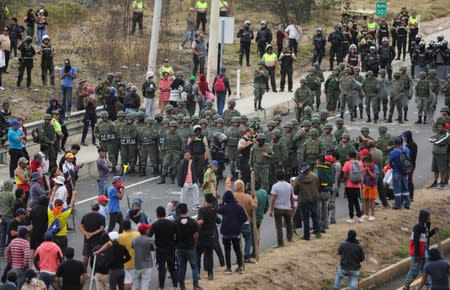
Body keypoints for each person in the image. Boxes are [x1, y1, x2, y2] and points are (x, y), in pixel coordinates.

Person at [403, 210, 438, 289]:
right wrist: (417, 254)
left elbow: (426, 237)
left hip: (424, 252)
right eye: (428, 217)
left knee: (425, 270)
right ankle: (406, 285)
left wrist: (433, 231)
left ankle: (429, 286)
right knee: (414, 270)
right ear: (424, 217)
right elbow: (416, 241)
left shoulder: (426, 225)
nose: (429, 218)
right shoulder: (417, 227)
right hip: (418, 253)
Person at [217, 190, 246, 274]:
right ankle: (240, 266)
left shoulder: (224, 208)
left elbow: (218, 210)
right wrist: (238, 224)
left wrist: (222, 203)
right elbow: (244, 218)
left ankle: (229, 268)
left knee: (227, 250)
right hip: (236, 232)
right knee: (237, 249)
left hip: (226, 232)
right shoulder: (239, 207)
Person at [149, 206, 178, 289]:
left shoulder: (155, 225)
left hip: (160, 249)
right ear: (165, 213)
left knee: (161, 269)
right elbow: (177, 235)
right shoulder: (172, 223)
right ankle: (175, 286)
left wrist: (153, 245)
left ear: (157, 215)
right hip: (171, 248)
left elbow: (149, 236)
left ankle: (161, 287)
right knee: (172, 268)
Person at [174, 203, 201, 290]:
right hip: (190, 246)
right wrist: (195, 243)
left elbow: (173, 236)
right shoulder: (193, 222)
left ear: (178, 211)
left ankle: (182, 285)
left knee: (181, 267)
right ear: (187, 211)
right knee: (194, 266)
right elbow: (196, 234)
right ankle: (195, 284)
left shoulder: (175, 222)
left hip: (179, 247)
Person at [293, 163, 321, 240]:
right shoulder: (314, 176)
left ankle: (306, 235)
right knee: (315, 216)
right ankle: (318, 232)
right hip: (314, 199)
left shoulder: (298, 179)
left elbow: (295, 192)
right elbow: (318, 186)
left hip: (304, 200)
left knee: (305, 218)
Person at [48, 188, 77, 254]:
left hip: (52, 235)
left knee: (53, 254)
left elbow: (50, 201)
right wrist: (74, 195)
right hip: (62, 236)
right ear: (62, 205)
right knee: (62, 253)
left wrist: (53, 192)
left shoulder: (50, 211)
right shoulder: (65, 212)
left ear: (55, 205)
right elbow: (71, 204)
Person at [196, 194, 218, 280]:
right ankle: (210, 273)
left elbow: (200, 221)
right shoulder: (214, 210)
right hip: (211, 235)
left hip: (202, 236)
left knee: (198, 255)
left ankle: (197, 273)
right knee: (209, 255)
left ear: (205, 200)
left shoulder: (202, 210)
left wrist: (194, 224)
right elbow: (217, 220)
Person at [269, 170, 294, 247]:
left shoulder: (275, 186)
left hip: (278, 208)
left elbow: (273, 199)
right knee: (289, 224)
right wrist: (292, 206)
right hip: (287, 207)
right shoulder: (289, 185)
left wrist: (271, 209)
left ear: (276, 177)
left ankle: (280, 242)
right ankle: (290, 238)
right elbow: (291, 197)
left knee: (279, 226)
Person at [80, 203, 105, 269]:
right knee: (96, 256)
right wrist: (92, 234)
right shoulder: (101, 217)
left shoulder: (85, 216)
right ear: (98, 209)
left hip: (87, 240)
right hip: (97, 240)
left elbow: (81, 227)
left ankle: (84, 272)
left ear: (91, 209)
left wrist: (86, 233)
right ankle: (94, 273)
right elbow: (102, 228)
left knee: (86, 256)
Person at [389, 136, 412, 209]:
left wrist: (393, 167)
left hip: (396, 172)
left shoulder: (393, 152)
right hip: (405, 171)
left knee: (397, 189)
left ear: (394, 143)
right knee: (405, 188)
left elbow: (390, 163)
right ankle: (407, 203)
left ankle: (398, 205)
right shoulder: (407, 149)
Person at [342, 151, 364, 223]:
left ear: (349, 156)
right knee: (356, 201)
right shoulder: (360, 163)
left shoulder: (347, 163)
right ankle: (359, 217)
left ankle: (351, 218)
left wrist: (346, 180)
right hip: (357, 185)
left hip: (349, 185)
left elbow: (345, 175)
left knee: (350, 202)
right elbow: (362, 173)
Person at [131, 223, 155, 290]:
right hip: (147, 265)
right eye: (148, 229)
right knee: (145, 284)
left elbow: (133, 247)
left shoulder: (134, 240)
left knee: (135, 284)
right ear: (145, 231)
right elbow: (153, 248)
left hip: (137, 265)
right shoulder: (150, 240)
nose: (149, 230)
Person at [429, 121, 450, 190]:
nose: (438, 128)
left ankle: (443, 183)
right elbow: (430, 139)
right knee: (435, 169)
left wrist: (435, 140)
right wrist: (435, 140)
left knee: (443, 170)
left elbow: (439, 141)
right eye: (438, 127)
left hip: (442, 155)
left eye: (440, 127)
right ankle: (435, 182)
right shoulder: (438, 133)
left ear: (444, 127)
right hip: (435, 154)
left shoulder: (447, 135)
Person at [361, 156, 379, 221]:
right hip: (366, 185)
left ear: (369, 162)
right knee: (365, 199)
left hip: (372, 186)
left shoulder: (375, 167)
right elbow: (364, 176)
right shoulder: (365, 167)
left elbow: (375, 177)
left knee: (372, 200)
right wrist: (365, 172)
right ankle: (365, 214)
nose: (364, 164)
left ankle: (372, 215)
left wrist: (369, 171)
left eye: (365, 163)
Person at [0, 179, 15, 252]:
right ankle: (8, 249)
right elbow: (13, 206)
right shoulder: (12, 195)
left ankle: (1, 248)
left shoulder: (0, 194)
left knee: (2, 233)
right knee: (9, 233)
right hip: (9, 216)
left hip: (1, 217)